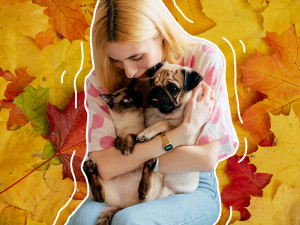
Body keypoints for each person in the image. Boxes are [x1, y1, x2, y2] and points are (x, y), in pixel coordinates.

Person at [68, 0, 238, 224]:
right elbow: (104, 167)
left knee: (130, 221)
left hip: (186, 184)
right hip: (122, 182)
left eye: (137, 57)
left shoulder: (203, 59)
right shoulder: (101, 80)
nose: (128, 72)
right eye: (115, 60)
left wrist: (129, 159)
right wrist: (181, 132)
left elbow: (205, 159)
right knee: (83, 221)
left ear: (162, 34)